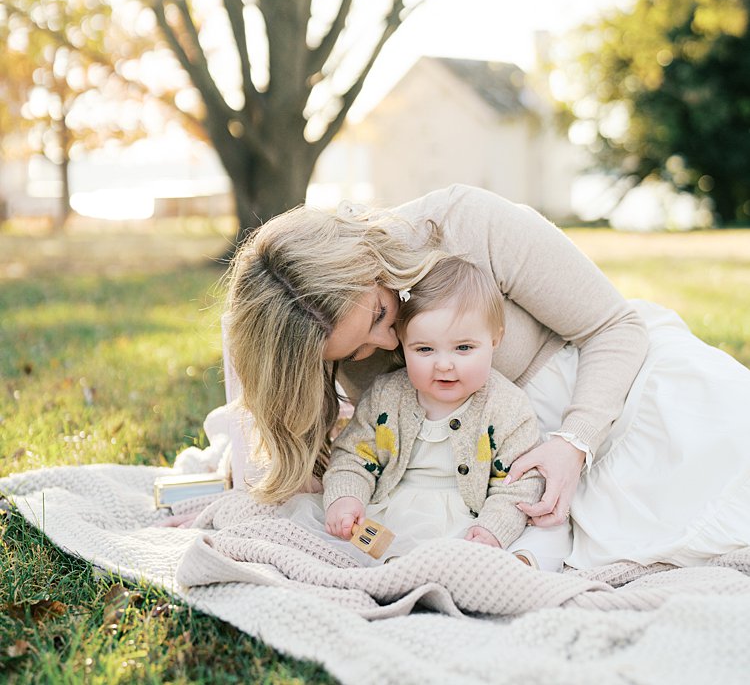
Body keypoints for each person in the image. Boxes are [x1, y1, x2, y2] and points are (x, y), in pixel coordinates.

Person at [226, 183, 750, 568]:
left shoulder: (467, 223)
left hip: (609, 388)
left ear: (365, 259)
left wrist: (575, 442)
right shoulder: (316, 329)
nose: (387, 347)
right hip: (503, 461)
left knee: (720, 463)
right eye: (355, 352)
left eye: (381, 318)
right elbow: (341, 443)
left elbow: (614, 327)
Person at [321, 256, 571, 569]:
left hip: (471, 520)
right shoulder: (387, 395)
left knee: (548, 536)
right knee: (339, 537)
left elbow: (520, 482)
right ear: (403, 343)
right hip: (393, 511)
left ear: (495, 340)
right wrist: (347, 497)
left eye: (463, 348)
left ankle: (487, 574)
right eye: (424, 349)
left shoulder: (507, 406)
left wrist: (492, 530)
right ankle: (398, 574)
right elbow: (353, 456)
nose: (444, 364)